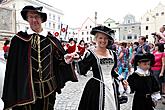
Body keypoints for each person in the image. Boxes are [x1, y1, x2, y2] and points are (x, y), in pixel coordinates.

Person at [2, 5, 78, 110]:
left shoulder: (51, 39)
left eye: (37, 16)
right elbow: (12, 68)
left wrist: (66, 59)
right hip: (26, 90)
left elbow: (58, 60)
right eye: (30, 17)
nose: (34, 20)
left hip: (48, 90)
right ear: (27, 19)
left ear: (42, 19)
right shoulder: (18, 40)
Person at [77, 25, 128, 110]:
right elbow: (82, 71)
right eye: (100, 38)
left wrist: (122, 79)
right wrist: (77, 59)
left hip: (111, 87)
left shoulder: (113, 54)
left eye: (105, 38)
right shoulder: (91, 53)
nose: (103, 40)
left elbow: (112, 72)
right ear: (96, 39)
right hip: (96, 87)